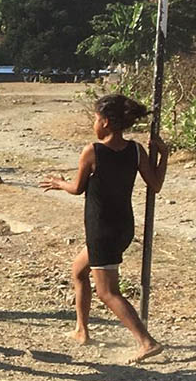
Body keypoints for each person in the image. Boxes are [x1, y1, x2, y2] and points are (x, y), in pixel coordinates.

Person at [40, 94, 169, 364]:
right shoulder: (136, 150)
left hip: (101, 229)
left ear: (107, 122)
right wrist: (164, 157)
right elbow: (155, 185)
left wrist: (58, 183)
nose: (94, 124)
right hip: (123, 226)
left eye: (96, 119)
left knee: (107, 291)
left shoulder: (93, 151)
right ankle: (82, 330)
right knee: (78, 271)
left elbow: (77, 188)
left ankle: (147, 342)